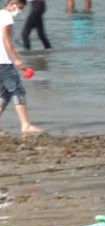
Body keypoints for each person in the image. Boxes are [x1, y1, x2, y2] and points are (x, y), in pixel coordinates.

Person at [0, 0, 41, 134]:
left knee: (5, 94)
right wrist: (16, 59)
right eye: (20, 7)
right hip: (4, 62)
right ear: (12, 3)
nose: (20, 11)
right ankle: (26, 125)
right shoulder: (6, 16)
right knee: (18, 91)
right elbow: (5, 39)